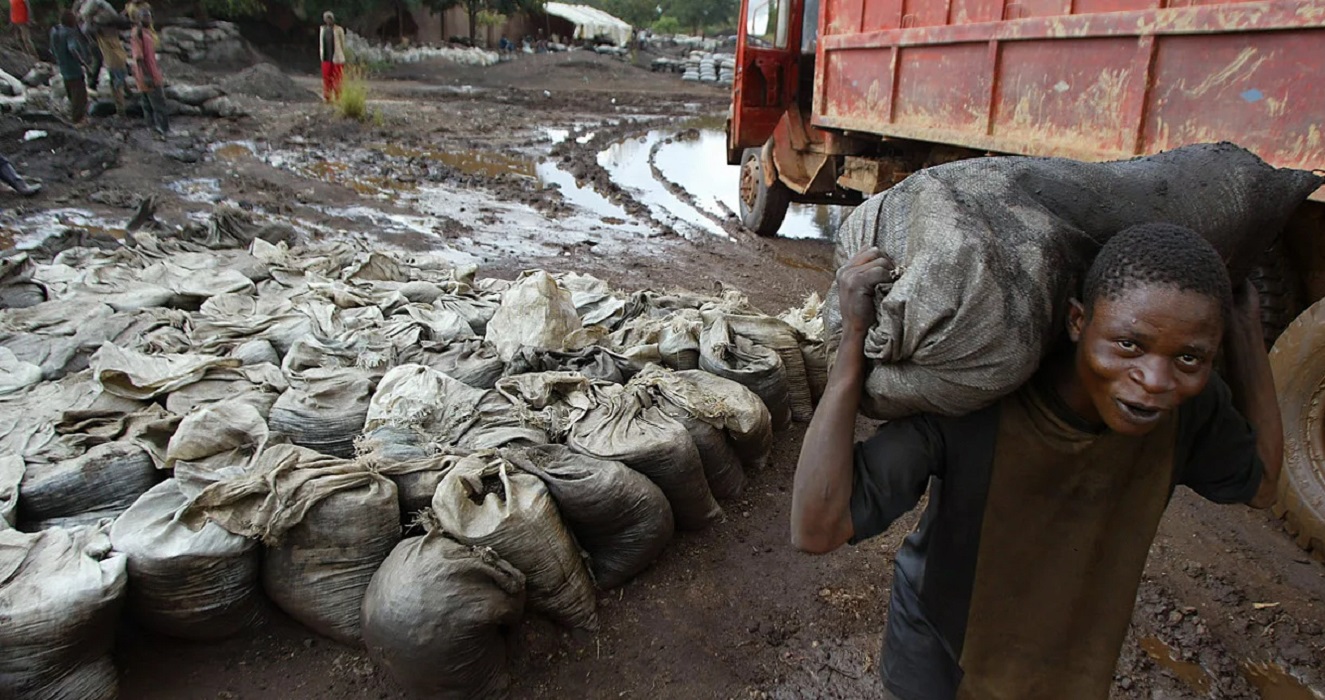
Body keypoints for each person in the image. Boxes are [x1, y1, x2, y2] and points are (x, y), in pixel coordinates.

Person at [790, 223, 1282, 700]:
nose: (1155, 379)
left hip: (1067, 665)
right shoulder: (982, 396)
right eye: (1129, 344)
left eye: (1190, 358)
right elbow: (818, 526)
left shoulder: (1190, 409)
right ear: (1077, 321)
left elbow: (1260, 486)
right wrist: (853, 338)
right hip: (941, 661)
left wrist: (1247, 336)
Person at [80, 0, 131, 114]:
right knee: (115, 78)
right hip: (111, 55)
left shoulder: (99, 24)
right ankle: (122, 107)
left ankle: (123, 101)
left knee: (115, 77)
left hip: (111, 55)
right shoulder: (101, 24)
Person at [129, 4, 168, 135]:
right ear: (139, 18)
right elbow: (139, 57)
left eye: (149, 16)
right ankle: (162, 130)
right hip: (148, 75)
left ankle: (151, 130)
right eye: (145, 16)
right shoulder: (138, 34)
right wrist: (147, 75)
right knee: (159, 104)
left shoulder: (146, 32)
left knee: (147, 104)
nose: (148, 18)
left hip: (147, 74)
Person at [50, 11, 92, 126]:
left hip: (63, 67)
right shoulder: (69, 33)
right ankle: (78, 120)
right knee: (79, 95)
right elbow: (72, 49)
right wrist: (84, 63)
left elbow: (52, 50)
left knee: (70, 92)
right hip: (73, 68)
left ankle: (74, 116)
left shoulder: (55, 31)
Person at [319, 11, 346, 102]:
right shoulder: (323, 29)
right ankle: (327, 97)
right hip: (326, 57)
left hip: (337, 57)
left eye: (329, 18)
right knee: (326, 77)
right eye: (326, 18)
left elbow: (342, 43)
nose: (328, 20)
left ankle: (338, 97)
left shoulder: (338, 30)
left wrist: (342, 53)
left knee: (337, 78)